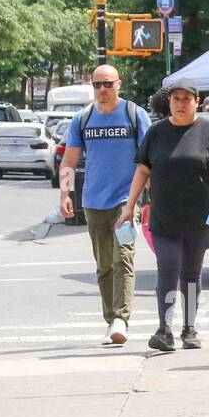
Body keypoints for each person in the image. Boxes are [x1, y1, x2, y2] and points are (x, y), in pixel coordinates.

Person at [116, 78, 209, 352]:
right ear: (169, 102)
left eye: (186, 99)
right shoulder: (156, 132)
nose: (180, 104)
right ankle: (164, 329)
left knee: (191, 274)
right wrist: (129, 206)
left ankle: (189, 328)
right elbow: (142, 170)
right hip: (163, 217)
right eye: (176, 98)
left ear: (196, 101)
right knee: (167, 268)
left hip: (199, 217)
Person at [58, 64, 149, 346]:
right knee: (104, 265)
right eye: (97, 85)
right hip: (93, 203)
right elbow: (69, 161)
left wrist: (148, 201)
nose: (102, 90)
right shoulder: (83, 119)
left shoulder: (134, 115)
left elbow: (149, 162)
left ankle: (121, 317)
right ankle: (112, 320)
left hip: (126, 202)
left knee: (123, 256)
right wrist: (65, 195)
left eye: (107, 84)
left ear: (118, 85)